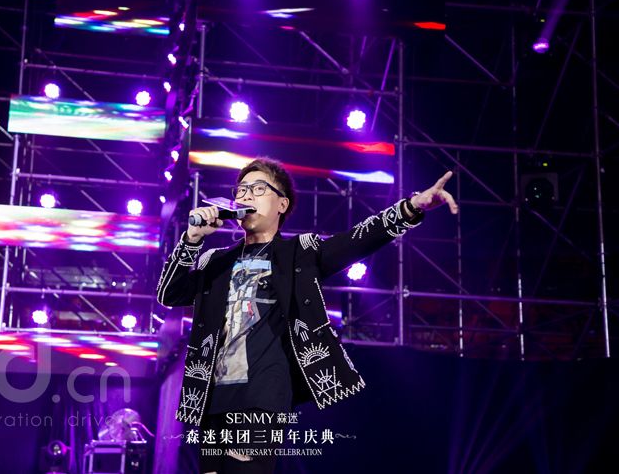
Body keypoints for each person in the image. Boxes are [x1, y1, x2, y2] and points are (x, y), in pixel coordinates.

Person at [157, 157, 458, 473]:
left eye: (258, 189)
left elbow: (358, 239)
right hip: (213, 396)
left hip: (262, 395)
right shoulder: (215, 261)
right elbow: (169, 295)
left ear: (282, 204)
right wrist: (191, 240)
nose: (245, 196)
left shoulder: (300, 253)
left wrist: (412, 206)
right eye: (241, 190)